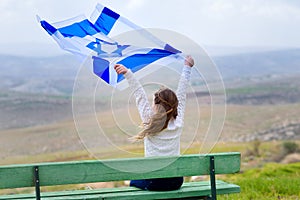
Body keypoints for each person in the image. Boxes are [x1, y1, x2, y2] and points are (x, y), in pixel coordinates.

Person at [114, 55, 194, 191]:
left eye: (153, 103)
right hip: (176, 181)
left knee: (134, 182)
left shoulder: (149, 120)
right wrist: (187, 67)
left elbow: (139, 94)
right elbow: (182, 92)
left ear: (157, 105)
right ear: (175, 106)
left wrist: (127, 73)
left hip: (154, 182)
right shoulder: (178, 121)